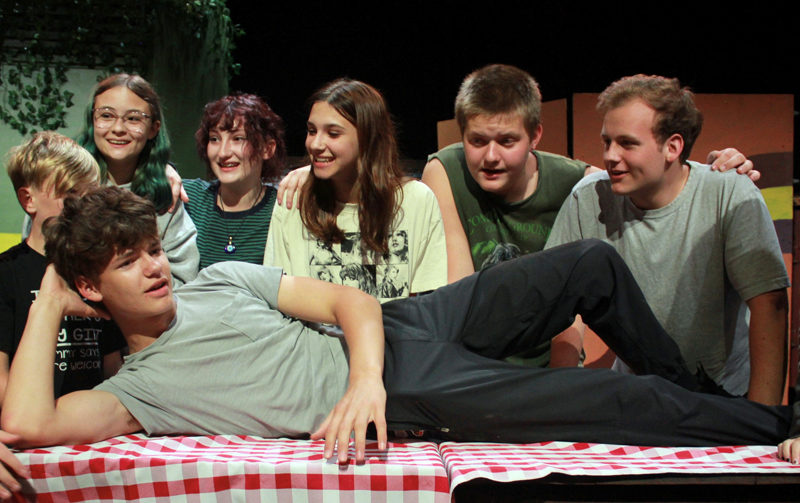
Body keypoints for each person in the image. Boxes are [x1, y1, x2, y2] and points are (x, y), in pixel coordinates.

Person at [1, 187, 796, 474]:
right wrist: (44, 298)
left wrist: (363, 380)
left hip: (396, 335)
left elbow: (349, 304)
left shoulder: (219, 277)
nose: (153, 267)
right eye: (127, 263)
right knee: (616, 404)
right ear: (86, 288)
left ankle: (706, 396)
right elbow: (29, 422)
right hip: (416, 387)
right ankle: (779, 427)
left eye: (150, 249)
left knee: (588, 261)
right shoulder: (135, 391)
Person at [419, 64, 759, 368]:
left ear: (535, 136)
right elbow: (458, 295)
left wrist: (719, 171)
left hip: (549, 366)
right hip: (476, 360)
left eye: (507, 140)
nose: (491, 156)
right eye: (477, 141)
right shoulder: (446, 169)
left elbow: (650, 181)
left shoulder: (579, 183)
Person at [545, 75, 789, 405]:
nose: (610, 156)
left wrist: (763, 418)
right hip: (637, 395)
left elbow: (769, 304)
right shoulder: (587, 198)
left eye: (627, 143)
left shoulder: (728, 192)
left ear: (672, 147)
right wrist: (563, 397)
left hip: (724, 397)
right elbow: (563, 305)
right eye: (606, 142)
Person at [264, 79, 446, 302]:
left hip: (393, 336)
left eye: (333, 133)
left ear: (368, 138)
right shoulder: (293, 199)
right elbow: (278, 298)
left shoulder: (417, 200)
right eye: (312, 131)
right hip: (310, 336)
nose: (315, 144)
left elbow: (430, 304)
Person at [0, 132, 125, 407]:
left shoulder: (97, 270)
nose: (82, 206)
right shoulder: (7, 273)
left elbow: (111, 363)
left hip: (88, 423)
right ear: (28, 199)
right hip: (30, 424)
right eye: (69, 194)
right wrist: (26, 418)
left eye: (88, 195)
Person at [76, 73, 198, 286]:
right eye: (106, 115)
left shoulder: (164, 195)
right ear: (92, 121)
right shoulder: (65, 186)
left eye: (133, 118)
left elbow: (182, 278)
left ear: (153, 129)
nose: (118, 128)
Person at [184, 94, 285, 268]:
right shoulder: (188, 197)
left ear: (267, 149)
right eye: (214, 139)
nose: (223, 152)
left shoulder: (281, 208)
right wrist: (165, 169)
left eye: (238, 138)